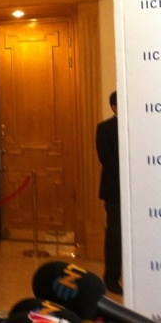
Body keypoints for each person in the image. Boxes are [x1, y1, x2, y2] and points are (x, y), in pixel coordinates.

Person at [95, 90, 122, 295]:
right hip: (115, 191)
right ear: (114, 107)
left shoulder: (140, 126)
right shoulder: (104, 128)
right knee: (115, 234)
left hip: (140, 192)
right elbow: (106, 158)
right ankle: (111, 278)